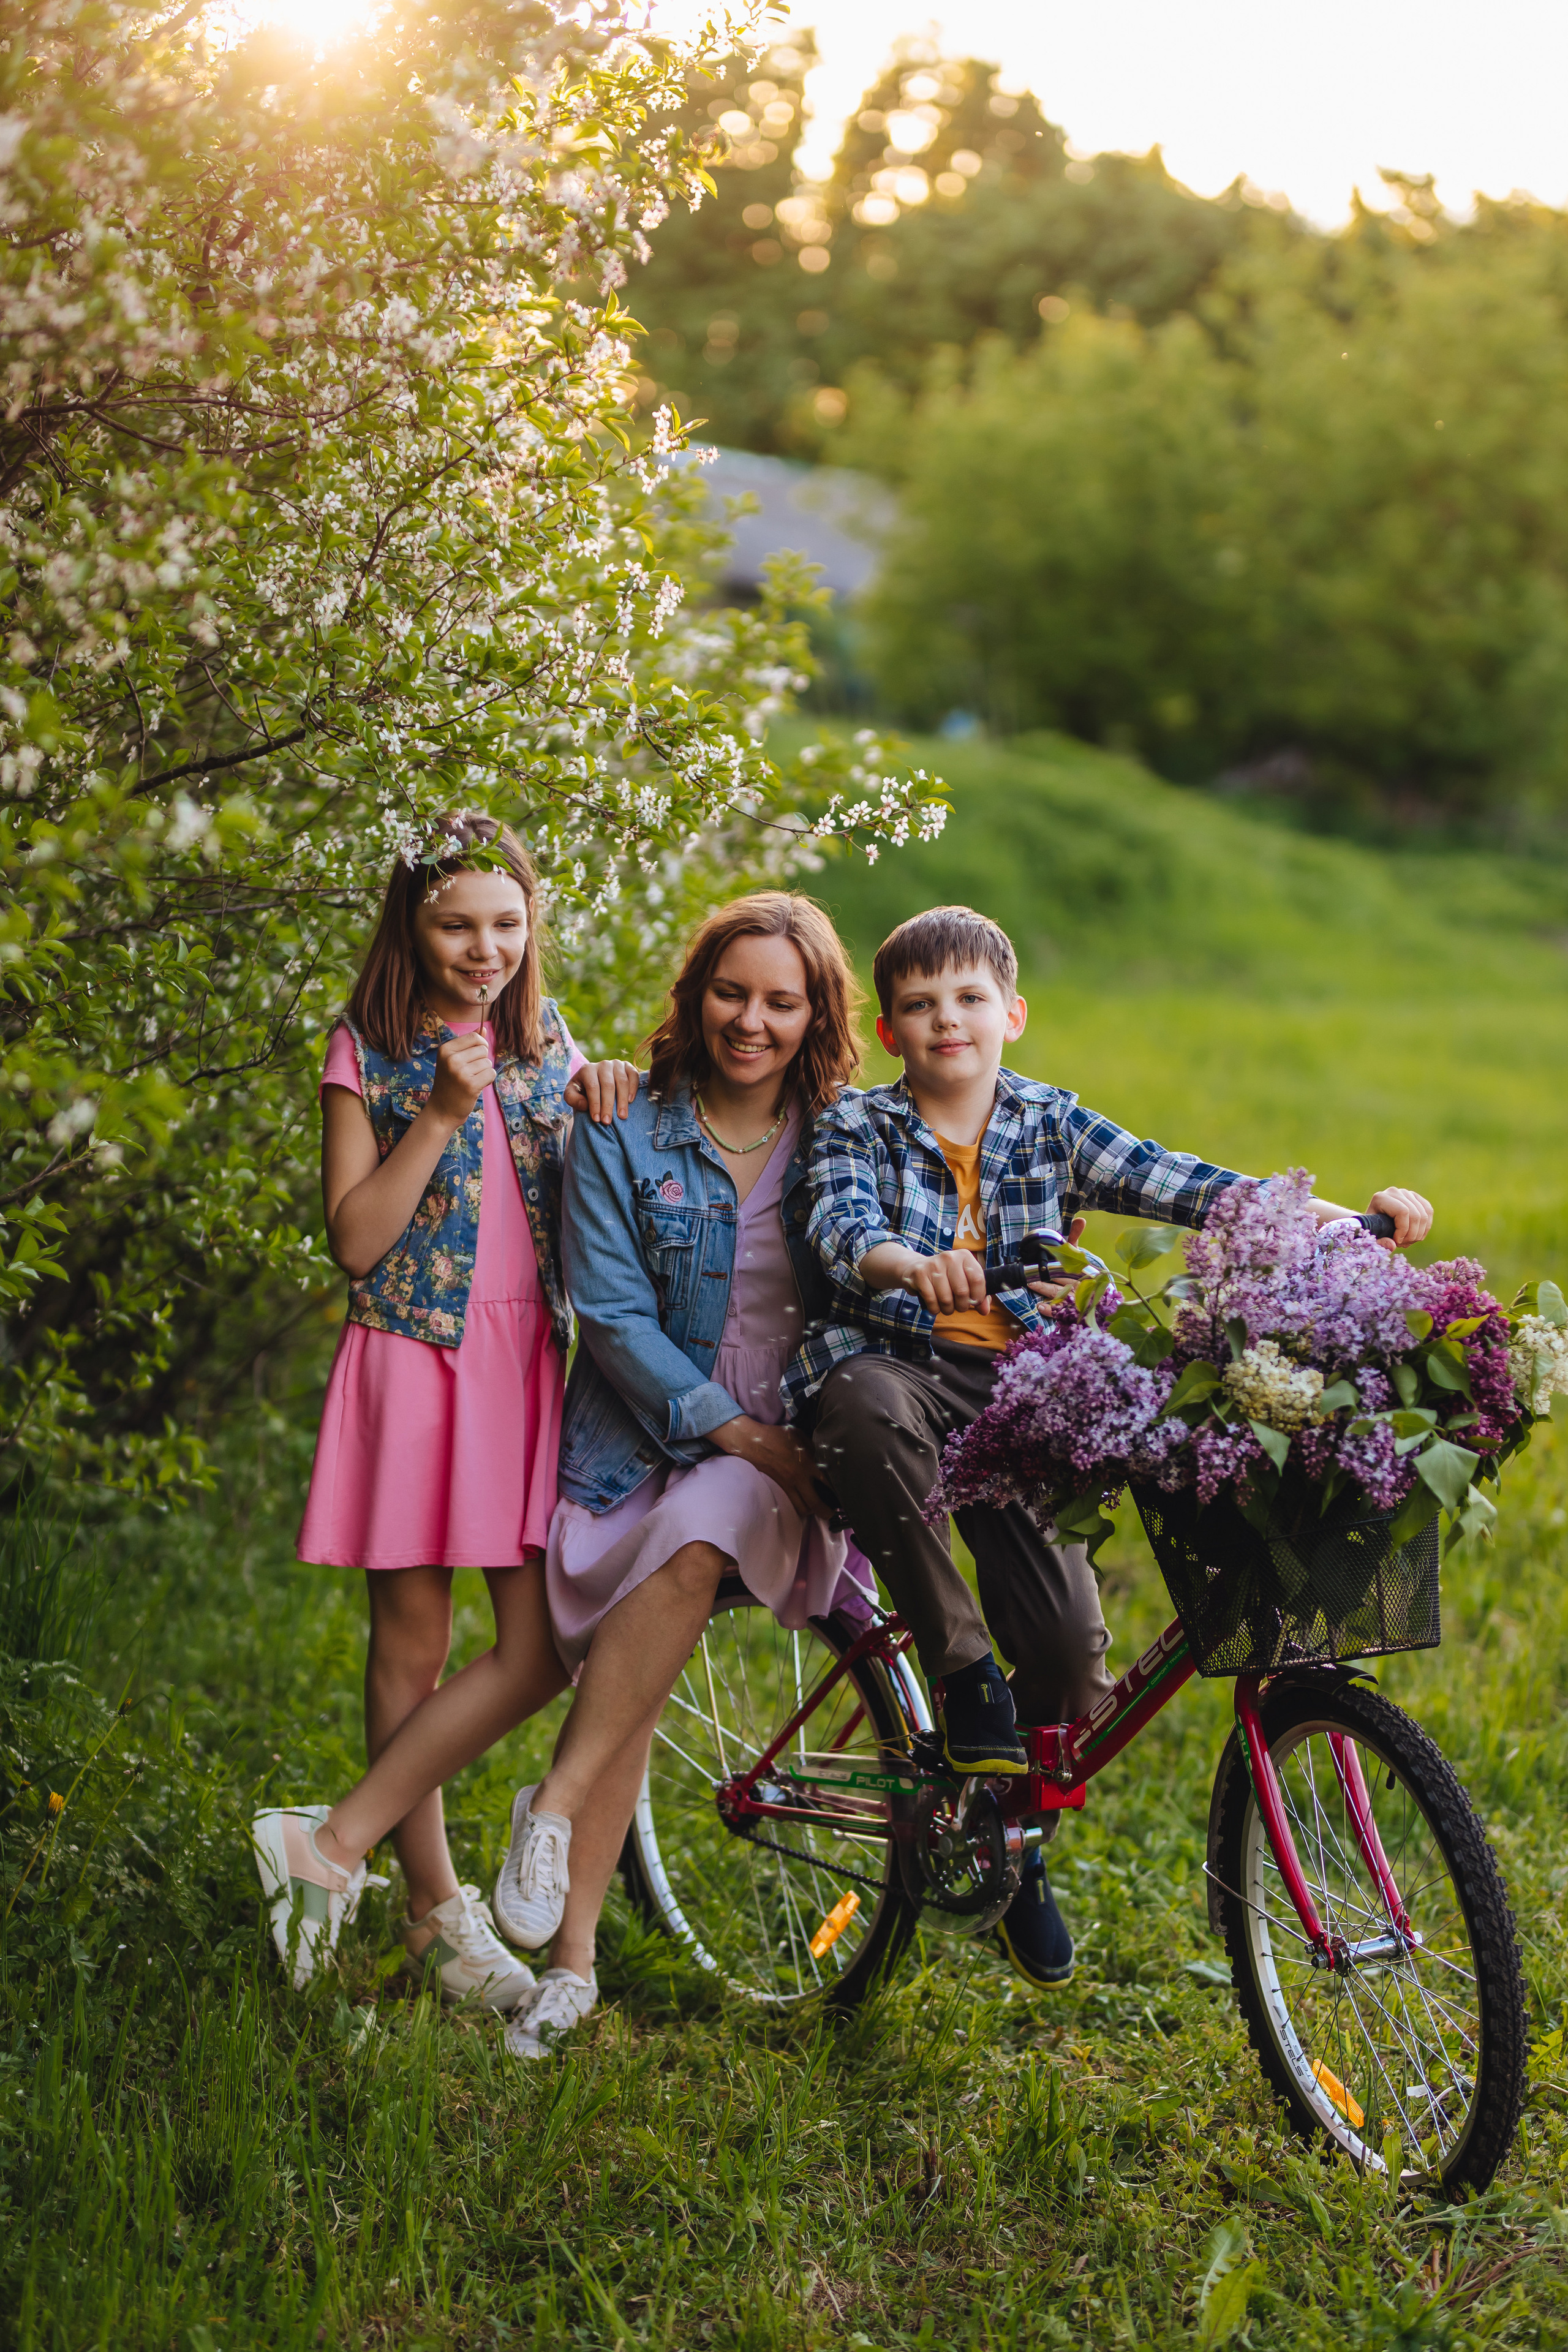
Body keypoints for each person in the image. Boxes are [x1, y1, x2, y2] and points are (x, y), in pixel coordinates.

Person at [790, 903, 1434, 1991]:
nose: (947, 1019)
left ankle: (1014, 1841)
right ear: (892, 1028)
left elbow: (1184, 1184)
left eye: (969, 998)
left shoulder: (1050, 1122)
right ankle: (958, 1673)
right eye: (919, 1005)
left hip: (1024, 1393)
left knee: (1067, 1651)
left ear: (1013, 1014)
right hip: (896, 1362)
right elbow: (840, 1228)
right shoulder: (858, 1125)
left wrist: (1333, 1219)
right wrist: (913, 1266)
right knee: (860, 1406)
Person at [252, 814, 639, 2011]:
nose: (485, 949)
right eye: (457, 923)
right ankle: (433, 1916)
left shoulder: (541, 1042)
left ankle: (333, 1838)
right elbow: (359, 1244)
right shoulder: (364, 1048)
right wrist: (431, 1113)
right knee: (410, 1648)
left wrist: (617, 1095)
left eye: (508, 924)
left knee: (540, 1649)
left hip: (524, 1365)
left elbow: (589, 1179)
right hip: (412, 1360)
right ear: (408, 926)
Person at [485, 892, 876, 2057]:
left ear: (817, 1015)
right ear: (695, 993)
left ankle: (546, 1812)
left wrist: (766, 1442)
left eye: (780, 1001)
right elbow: (607, 1313)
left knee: (704, 1533)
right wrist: (731, 1431)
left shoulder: (849, 1137)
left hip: (779, 1453)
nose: (750, 1021)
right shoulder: (619, 1124)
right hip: (634, 1439)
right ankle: (573, 1967)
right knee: (635, 1684)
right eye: (730, 991)